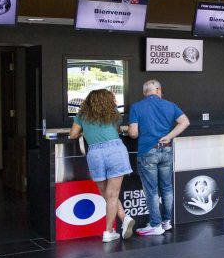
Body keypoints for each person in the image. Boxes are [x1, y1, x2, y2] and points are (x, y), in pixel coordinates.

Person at [68, 89, 135, 243]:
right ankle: (117, 224)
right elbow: (117, 130)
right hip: (115, 150)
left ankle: (114, 227)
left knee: (106, 193)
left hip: (95, 153)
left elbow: (73, 134)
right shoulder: (113, 114)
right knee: (112, 194)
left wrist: (84, 132)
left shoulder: (82, 115)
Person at [128, 80, 190, 236]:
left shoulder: (136, 107)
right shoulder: (170, 105)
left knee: (152, 190)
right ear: (158, 90)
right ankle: (166, 222)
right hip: (166, 150)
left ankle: (155, 225)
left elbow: (133, 133)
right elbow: (185, 122)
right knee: (167, 188)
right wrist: (169, 136)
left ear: (145, 92)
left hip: (147, 151)